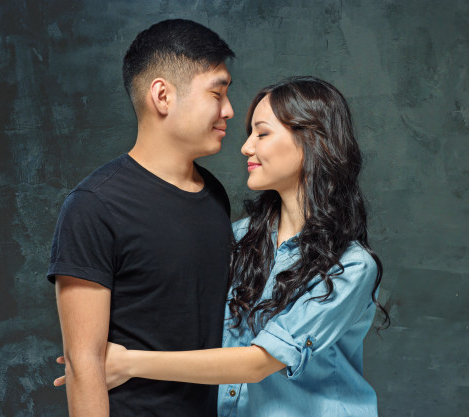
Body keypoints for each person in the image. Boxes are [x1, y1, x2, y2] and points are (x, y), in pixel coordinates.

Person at [55, 76, 390, 416]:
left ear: (313, 142)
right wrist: (91, 357)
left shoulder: (351, 266)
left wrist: (126, 362)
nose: (246, 147)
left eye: (262, 133)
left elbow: (257, 363)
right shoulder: (238, 238)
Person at [47, 19, 235, 416]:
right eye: (217, 94)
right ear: (162, 96)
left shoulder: (215, 196)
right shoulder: (94, 206)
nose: (229, 111)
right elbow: (85, 365)